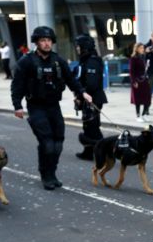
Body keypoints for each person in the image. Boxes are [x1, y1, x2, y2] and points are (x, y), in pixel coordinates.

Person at [11, 26, 92, 190]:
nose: (47, 43)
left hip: (54, 106)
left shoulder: (58, 60)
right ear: (36, 42)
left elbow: (71, 80)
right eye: (43, 40)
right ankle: (46, 175)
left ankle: (52, 172)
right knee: (47, 143)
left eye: (49, 40)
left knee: (58, 144)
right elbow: (17, 85)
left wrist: (82, 92)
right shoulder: (26, 61)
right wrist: (17, 105)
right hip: (36, 107)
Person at [74, 34, 108, 160]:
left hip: (93, 99)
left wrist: (81, 95)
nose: (77, 48)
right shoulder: (85, 60)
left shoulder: (92, 61)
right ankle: (88, 152)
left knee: (93, 127)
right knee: (88, 126)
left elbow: (91, 84)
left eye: (79, 46)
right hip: (87, 99)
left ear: (85, 47)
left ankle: (105, 153)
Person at [129, 42, 151, 122]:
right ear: (137, 49)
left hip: (144, 80)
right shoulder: (133, 58)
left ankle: (144, 114)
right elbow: (131, 71)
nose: (143, 49)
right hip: (137, 81)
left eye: (143, 48)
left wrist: (147, 66)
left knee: (147, 98)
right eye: (141, 48)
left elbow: (144, 69)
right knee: (138, 99)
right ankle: (138, 116)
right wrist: (134, 81)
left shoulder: (143, 57)